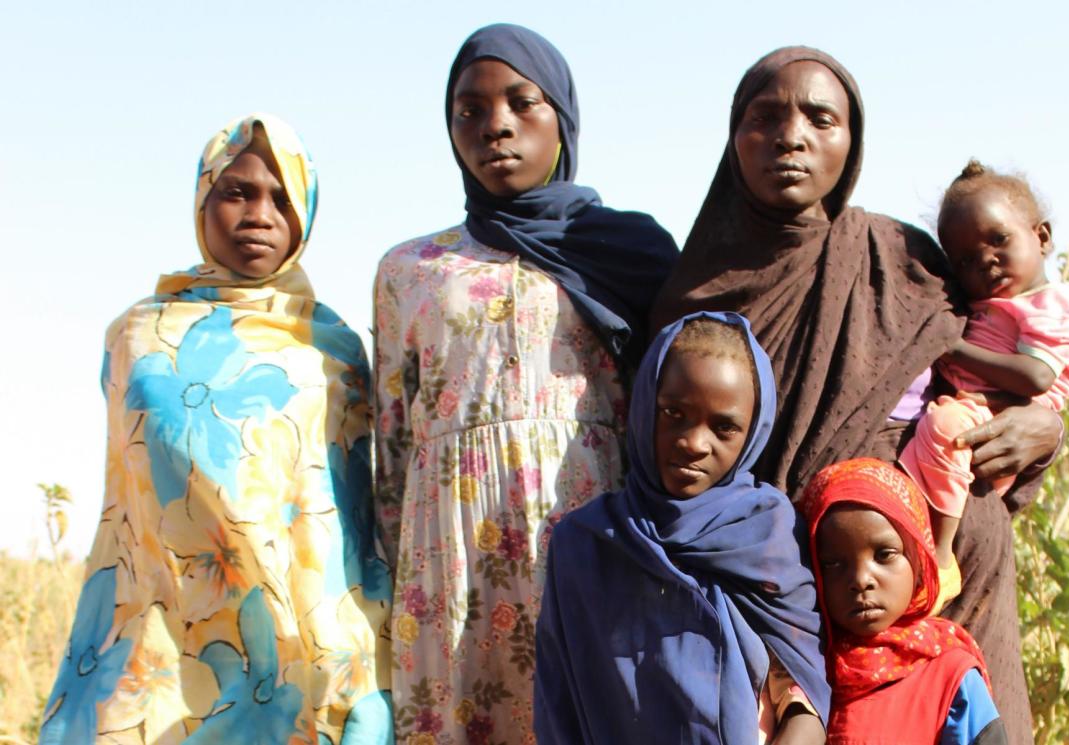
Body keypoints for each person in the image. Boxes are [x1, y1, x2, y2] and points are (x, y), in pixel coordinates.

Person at [650, 47, 1062, 742]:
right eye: (765, 116)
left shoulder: (905, 261)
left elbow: (1001, 372)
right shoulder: (689, 299)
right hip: (801, 637)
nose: (793, 135)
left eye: (821, 117)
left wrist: (1046, 426)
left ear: (853, 140)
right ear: (733, 136)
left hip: (958, 608)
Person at [40, 114, 393, 744]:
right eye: (237, 192)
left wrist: (359, 660)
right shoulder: (135, 337)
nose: (260, 214)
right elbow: (129, 506)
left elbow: (351, 521)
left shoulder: (331, 351)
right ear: (202, 202)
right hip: (159, 641)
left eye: (282, 199)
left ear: (305, 217)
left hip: (296, 645)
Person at [372, 23, 678, 742]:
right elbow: (390, 442)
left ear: (562, 119)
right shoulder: (408, 269)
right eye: (469, 110)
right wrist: (394, 578)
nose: (496, 125)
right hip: (448, 561)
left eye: (521, 102)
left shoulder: (629, 251)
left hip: (587, 540)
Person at [534, 312, 831, 744]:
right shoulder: (585, 545)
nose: (694, 443)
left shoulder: (769, 536)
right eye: (673, 413)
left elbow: (806, 700)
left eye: (724, 426)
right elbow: (557, 704)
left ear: (753, 433)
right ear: (642, 409)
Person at [898, 160, 1069, 581]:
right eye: (967, 260)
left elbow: (1036, 377)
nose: (987, 261)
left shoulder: (1049, 305)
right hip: (978, 407)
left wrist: (954, 349)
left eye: (998, 240)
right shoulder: (986, 305)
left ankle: (940, 553)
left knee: (945, 429)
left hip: (998, 417)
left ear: (1041, 237)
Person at [802, 458, 1006, 744]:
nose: (861, 579)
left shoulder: (950, 676)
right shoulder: (800, 664)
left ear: (919, 559)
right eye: (833, 563)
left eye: (884, 554)